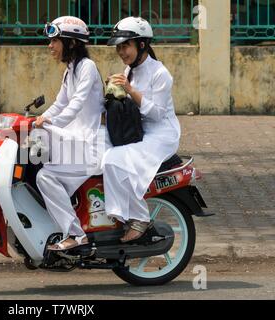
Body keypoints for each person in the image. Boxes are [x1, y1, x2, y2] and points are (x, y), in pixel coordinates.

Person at [102, 17, 181, 243]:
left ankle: (139, 218)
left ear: (142, 45)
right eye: (118, 47)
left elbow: (156, 113)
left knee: (113, 160)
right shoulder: (129, 70)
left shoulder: (160, 74)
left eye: (125, 45)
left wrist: (129, 89)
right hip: (138, 130)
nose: (121, 51)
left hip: (161, 135)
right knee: (96, 147)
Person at [35, 16, 109, 251]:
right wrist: (40, 119)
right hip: (77, 142)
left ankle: (76, 235)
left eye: (55, 41)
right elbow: (60, 103)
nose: (50, 46)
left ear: (72, 43)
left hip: (91, 147)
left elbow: (76, 104)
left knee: (46, 177)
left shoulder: (86, 68)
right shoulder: (71, 69)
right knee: (37, 163)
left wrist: (49, 122)